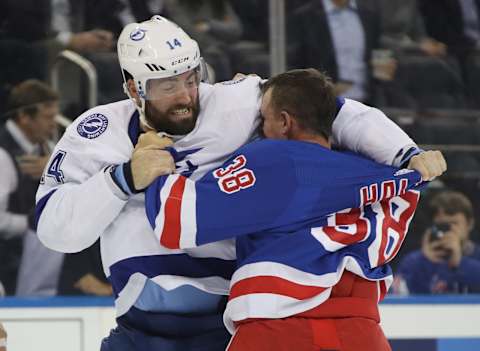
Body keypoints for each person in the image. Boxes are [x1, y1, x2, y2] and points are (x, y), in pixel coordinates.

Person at [36, 16, 447, 350]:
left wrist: (404, 154)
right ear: (132, 88)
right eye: (166, 85)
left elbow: (332, 110)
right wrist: (122, 180)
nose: (184, 95)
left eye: (189, 78)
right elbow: (55, 231)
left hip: (226, 327)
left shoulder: (236, 100)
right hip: (139, 334)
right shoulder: (95, 132)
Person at [144, 68, 445, 350]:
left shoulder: (274, 160)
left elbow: (175, 221)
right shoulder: (387, 173)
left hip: (281, 330)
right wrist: (411, 153)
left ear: (285, 122)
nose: (258, 129)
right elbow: (357, 119)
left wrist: (155, 158)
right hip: (363, 334)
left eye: (262, 119)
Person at [0, 80, 63, 296]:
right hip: (9, 265)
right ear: (24, 117)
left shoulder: (49, 149)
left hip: (43, 258)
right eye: (47, 117)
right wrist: (31, 222)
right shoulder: (2, 155)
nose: (53, 124)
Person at [395, 190, 480, 294]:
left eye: (454, 224)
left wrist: (459, 263)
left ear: (470, 224)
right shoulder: (413, 261)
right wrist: (424, 261)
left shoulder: (477, 257)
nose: (448, 231)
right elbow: (400, 298)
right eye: (441, 225)